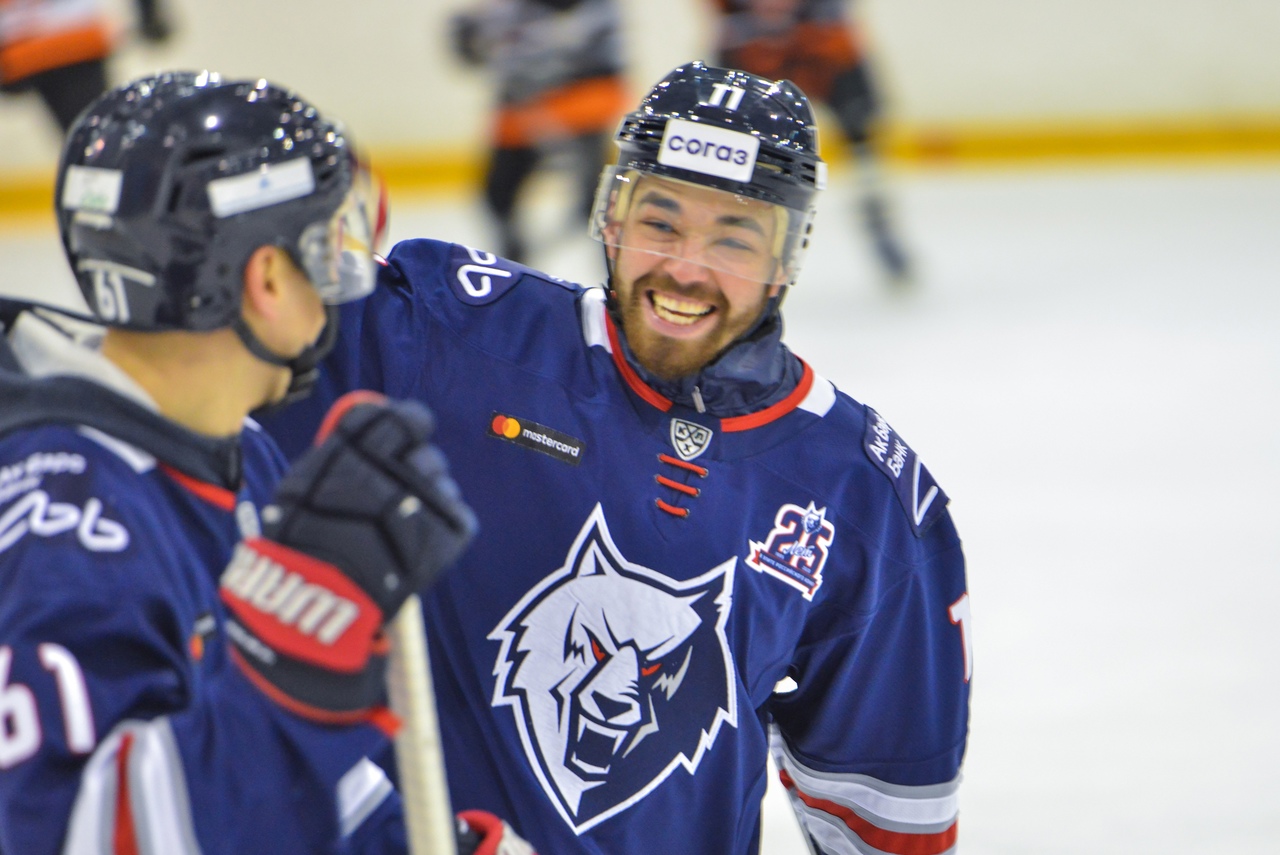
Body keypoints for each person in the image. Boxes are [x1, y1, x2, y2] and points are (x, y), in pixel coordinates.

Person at [261, 62, 972, 855]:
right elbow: (217, 367)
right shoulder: (446, 340)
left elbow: (887, 822)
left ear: (787, 259)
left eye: (734, 238)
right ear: (609, 216)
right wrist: (272, 237)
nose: (686, 270)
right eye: (659, 222)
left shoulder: (865, 498)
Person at [0, 71, 528, 854]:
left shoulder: (241, 449)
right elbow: (69, 834)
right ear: (269, 278)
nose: (340, 275)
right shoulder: (66, 521)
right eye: (325, 244)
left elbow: (300, 787)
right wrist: (294, 665)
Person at [709, 0, 913, 287]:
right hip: (751, 46)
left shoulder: (832, 36)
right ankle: (729, 238)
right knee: (733, 143)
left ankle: (880, 226)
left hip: (824, 44)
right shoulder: (738, 35)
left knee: (862, 142)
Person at [448, 0, 629, 265]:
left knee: (595, 202)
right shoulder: (505, 11)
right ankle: (512, 266)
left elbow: (600, 49)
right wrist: (474, 33)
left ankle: (614, 269)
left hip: (579, 98)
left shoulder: (592, 10)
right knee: (498, 195)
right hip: (522, 106)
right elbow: (471, 52)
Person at [0, 0, 173, 132]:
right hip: (72, 41)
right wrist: (149, 15)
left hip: (34, 49)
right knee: (97, 133)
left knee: (88, 134)